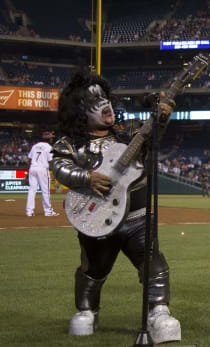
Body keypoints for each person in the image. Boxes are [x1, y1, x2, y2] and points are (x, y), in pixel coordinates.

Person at [50, 70, 181, 343]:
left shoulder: (130, 132)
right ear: (78, 111)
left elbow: (152, 139)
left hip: (137, 215)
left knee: (152, 261)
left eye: (104, 97)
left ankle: (158, 311)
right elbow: (60, 166)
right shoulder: (72, 144)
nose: (104, 103)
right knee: (93, 267)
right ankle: (87, 310)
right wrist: (86, 177)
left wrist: (163, 119)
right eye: (93, 101)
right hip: (96, 217)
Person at [25, 132, 59, 217]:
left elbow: (29, 159)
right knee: (45, 191)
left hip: (33, 167)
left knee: (32, 190)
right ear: (48, 139)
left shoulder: (35, 146)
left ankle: (29, 212)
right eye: (51, 137)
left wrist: (28, 171)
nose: (52, 139)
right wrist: (54, 172)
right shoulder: (49, 147)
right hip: (42, 169)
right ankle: (48, 211)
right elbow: (51, 161)